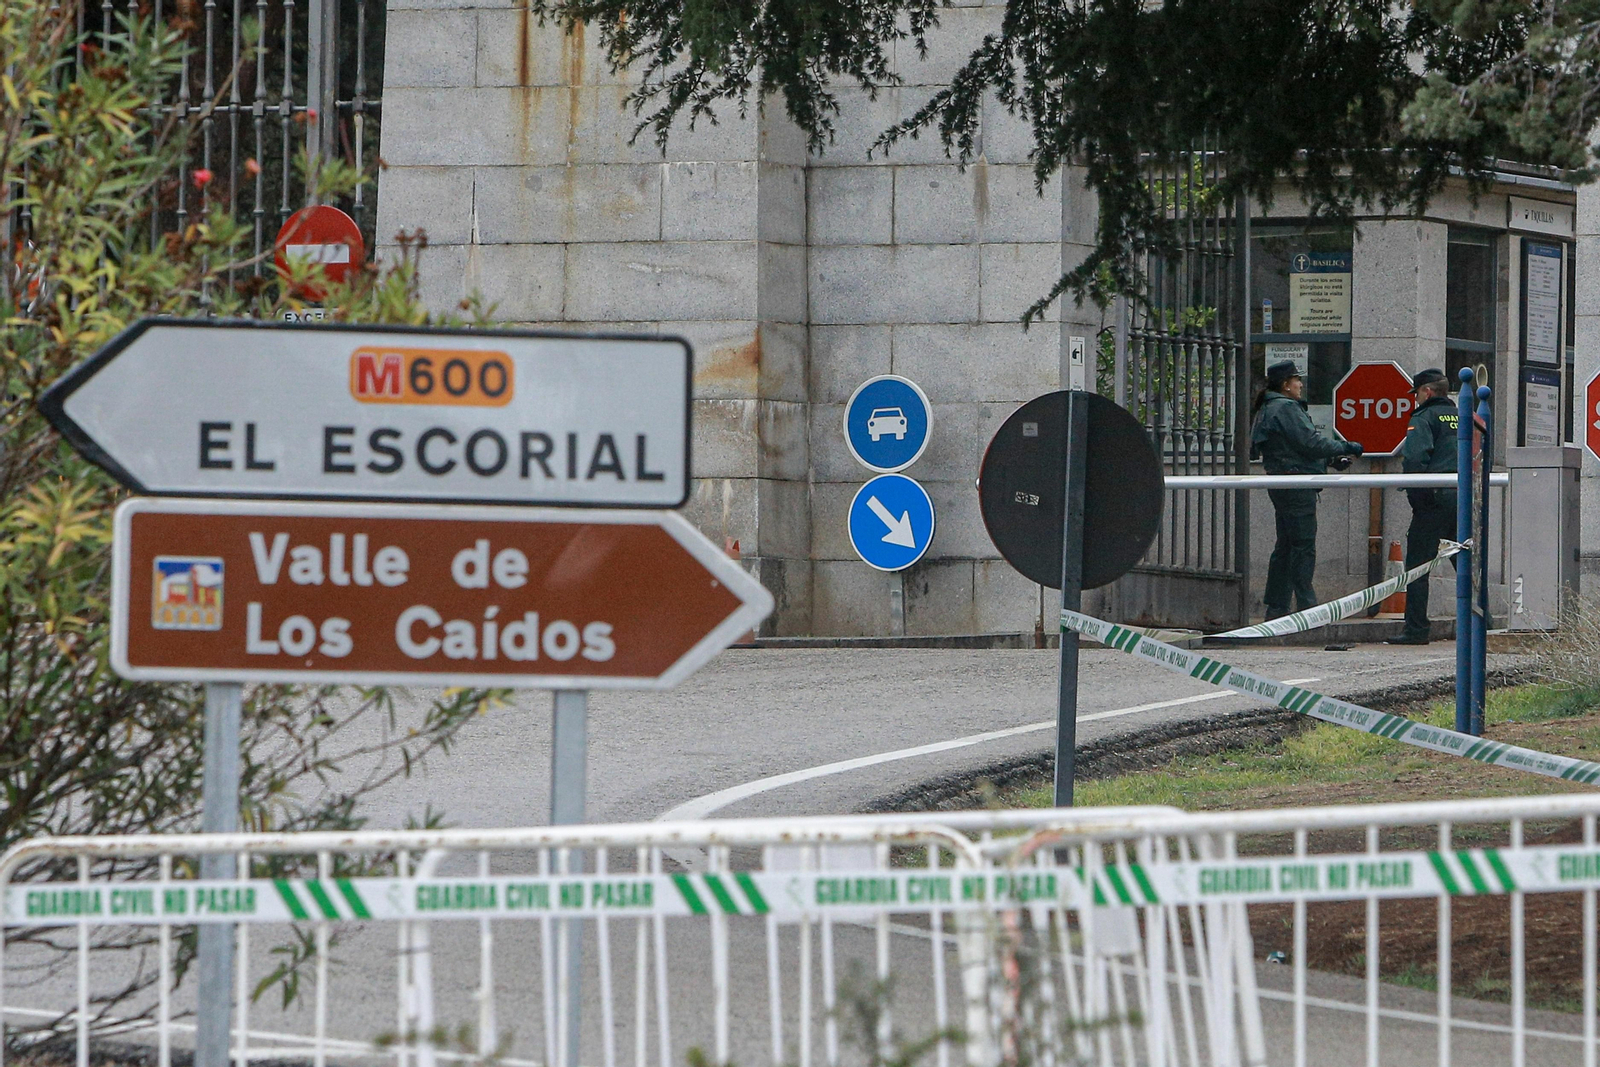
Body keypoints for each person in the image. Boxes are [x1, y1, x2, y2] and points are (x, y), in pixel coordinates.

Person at [1250, 360, 1364, 619]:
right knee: (1302, 545)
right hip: (1296, 485)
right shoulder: (1285, 407)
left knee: (1287, 545)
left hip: (1285, 482)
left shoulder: (1272, 407)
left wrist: (1331, 461)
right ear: (1285, 385)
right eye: (1297, 380)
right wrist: (1344, 447)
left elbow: (1293, 449)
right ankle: (1306, 608)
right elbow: (1309, 442)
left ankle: (1277, 607)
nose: (1301, 385)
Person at [1386, 367, 1459, 645]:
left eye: (1416, 393)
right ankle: (1484, 621)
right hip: (1462, 495)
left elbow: (1415, 457)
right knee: (1465, 559)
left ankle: (1416, 629)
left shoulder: (1424, 416)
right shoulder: (1463, 415)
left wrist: (1417, 495)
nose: (1415, 398)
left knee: (1418, 564)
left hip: (1433, 498)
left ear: (1427, 391)